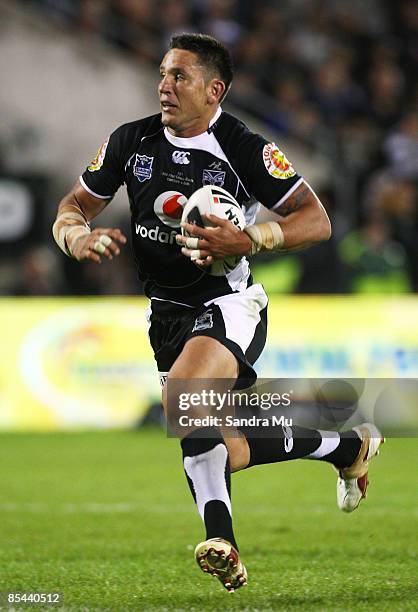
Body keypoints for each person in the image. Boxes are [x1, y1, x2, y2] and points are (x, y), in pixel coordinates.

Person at [52, 33, 384, 593]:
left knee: (183, 398)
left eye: (179, 76)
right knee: (227, 448)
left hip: (229, 305)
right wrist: (76, 239)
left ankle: (222, 540)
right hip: (166, 316)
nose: (164, 85)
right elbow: (73, 206)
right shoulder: (129, 142)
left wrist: (250, 237)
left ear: (214, 89)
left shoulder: (242, 146)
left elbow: (315, 218)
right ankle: (348, 447)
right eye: (162, 73)